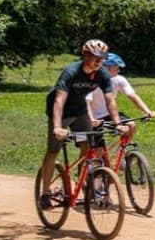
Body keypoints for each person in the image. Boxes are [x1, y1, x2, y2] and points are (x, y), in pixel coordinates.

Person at [40, 40, 129, 203]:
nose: (99, 62)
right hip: (62, 111)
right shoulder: (71, 71)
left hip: (80, 111)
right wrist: (58, 127)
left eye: (101, 58)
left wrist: (118, 123)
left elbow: (110, 100)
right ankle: (45, 192)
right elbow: (59, 100)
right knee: (53, 150)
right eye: (95, 57)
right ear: (85, 56)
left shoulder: (102, 74)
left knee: (88, 148)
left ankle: (81, 184)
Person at [84, 52, 155, 141]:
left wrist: (147, 111)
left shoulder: (119, 80)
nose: (118, 70)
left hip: (108, 114)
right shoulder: (90, 81)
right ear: (105, 68)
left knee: (131, 125)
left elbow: (132, 96)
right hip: (91, 116)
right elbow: (86, 102)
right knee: (94, 149)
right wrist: (92, 119)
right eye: (115, 68)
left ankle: (124, 149)